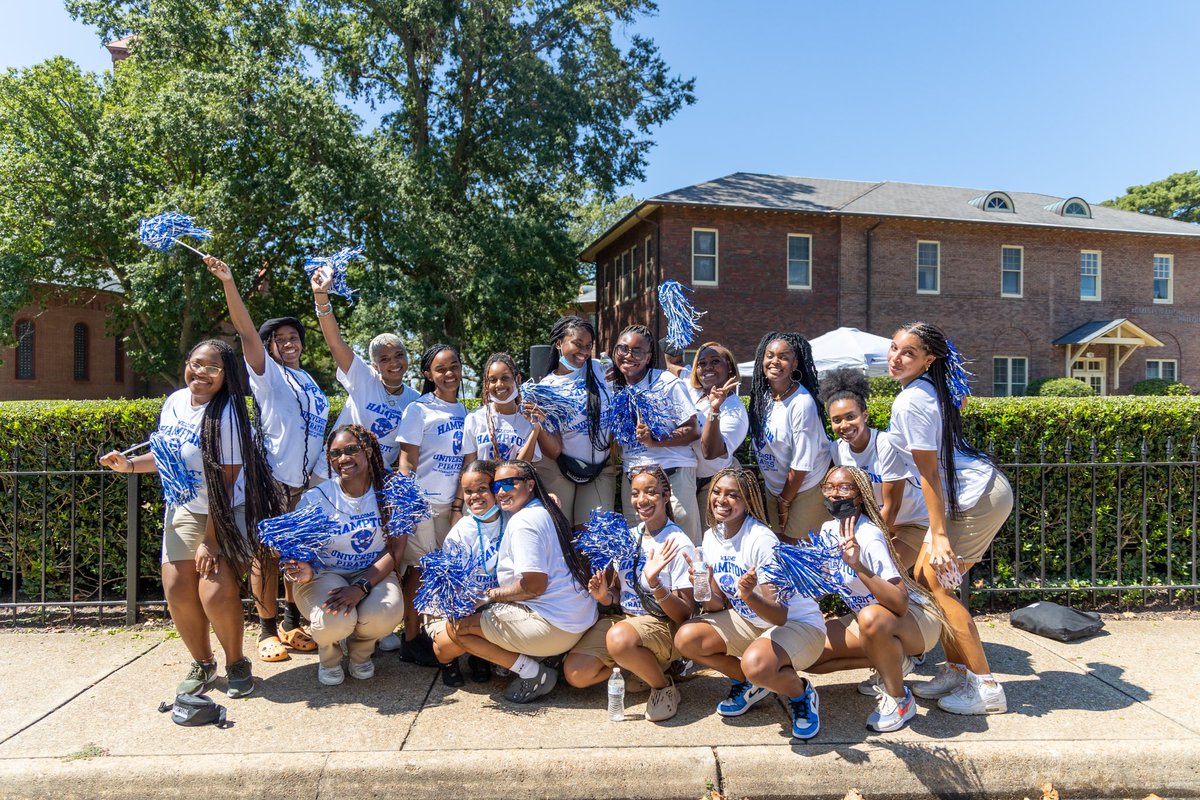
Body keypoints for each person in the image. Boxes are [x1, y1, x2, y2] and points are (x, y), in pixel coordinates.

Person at [100, 340, 280, 698]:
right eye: (196, 364)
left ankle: (235, 662)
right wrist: (131, 466)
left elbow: (226, 483)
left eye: (213, 368)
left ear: (226, 375)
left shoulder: (228, 413)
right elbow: (167, 455)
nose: (201, 373)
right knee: (176, 588)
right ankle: (203, 662)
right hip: (185, 505)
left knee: (213, 588)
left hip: (227, 510)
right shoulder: (175, 402)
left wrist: (211, 541)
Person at [885, 322, 1015, 715]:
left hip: (978, 497)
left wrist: (938, 534)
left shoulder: (913, 400)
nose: (897, 357)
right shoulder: (919, 393)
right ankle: (958, 670)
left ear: (929, 359)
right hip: (970, 495)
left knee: (938, 585)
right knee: (927, 580)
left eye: (908, 352)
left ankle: (986, 687)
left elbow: (928, 474)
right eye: (894, 348)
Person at [207, 255, 329, 662]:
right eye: (281, 339)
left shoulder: (309, 379)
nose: (290, 343)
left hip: (305, 482)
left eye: (295, 337)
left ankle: (292, 622)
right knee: (266, 555)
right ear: (271, 347)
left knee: (294, 554)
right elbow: (244, 331)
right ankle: (265, 628)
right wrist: (229, 282)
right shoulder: (268, 373)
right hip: (272, 478)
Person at [673, 467, 827, 741]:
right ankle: (749, 684)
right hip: (753, 623)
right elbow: (716, 607)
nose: (722, 500)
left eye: (733, 495)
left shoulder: (761, 540)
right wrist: (705, 585)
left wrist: (747, 595)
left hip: (798, 625)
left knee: (756, 665)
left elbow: (778, 615)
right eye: (717, 492)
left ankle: (800, 693)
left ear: (748, 502)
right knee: (687, 638)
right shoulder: (712, 537)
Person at [804, 466, 945, 732]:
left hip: (915, 620)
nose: (835, 494)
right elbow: (821, 586)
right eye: (829, 487)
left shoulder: (869, 536)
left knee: (870, 617)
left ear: (859, 495)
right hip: (874, 622)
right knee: (810, 653)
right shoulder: (827, 530)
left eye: (844, 488)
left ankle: (900, 698)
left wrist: (858, 567)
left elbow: (900, 603)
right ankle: (893, 662)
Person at [445, 460, 598, 703]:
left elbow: (534, 586)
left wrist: (489, 595)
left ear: (529, 485)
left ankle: (534, 674)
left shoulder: (523, 523)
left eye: (509, 484)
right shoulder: (544, 508)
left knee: (459, 629)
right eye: (497, 486)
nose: (502, 491)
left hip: (557, 626)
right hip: (578, 616)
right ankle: (548, 657)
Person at [562, 465, 695, 722]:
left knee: (619, 638)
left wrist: (656, 583)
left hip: (662, 626)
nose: (641, 500)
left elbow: (685, 613)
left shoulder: (677, 542)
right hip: (626, 621)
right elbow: (616, 593)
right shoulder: (628, 537)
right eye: (635, 493)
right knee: (576, 673)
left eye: (650, 492)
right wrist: (604, 596)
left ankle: (662, 685)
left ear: (666, 496)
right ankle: (639, 666)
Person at [282, 425, 407, 686]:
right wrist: (302, 568)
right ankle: (329, 657)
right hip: (325, 574)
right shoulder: (317, 498)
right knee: (334, 619)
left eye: (351, 450)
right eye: (335, 454)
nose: (343, 459)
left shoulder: (391, 493)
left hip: (371, 572)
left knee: (387, 612)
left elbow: (395, 549)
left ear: (368, 451)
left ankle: (361, 654)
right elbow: (295, 548)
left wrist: (361, 587)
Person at [395, 344, 468, 664]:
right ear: (428, 374)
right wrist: (407, 506)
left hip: (452, 506)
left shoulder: (465, 412)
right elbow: (406, 462)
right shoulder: (419, 409)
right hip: (422, 504)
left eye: (454, 366)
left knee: (445, 571)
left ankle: (438, 634)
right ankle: (410, 638)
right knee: (419, 570)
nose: (449, 373)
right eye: (441, 369)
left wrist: (459, 505)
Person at [818, 368, 928, 568]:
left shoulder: (885, 445)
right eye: (837, 420)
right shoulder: (837, 450)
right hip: (877, 524)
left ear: (865, 415)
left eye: (851, 416)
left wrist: (866, 543)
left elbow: (891, 507)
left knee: (883, 572)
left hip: (913, 522)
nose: (844, 425)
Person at [311, 268, 419, 469]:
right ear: (374, 365)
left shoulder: (415, 401)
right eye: (384, 359)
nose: (394, 363)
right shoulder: (364, 379)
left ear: (407, 357)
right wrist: (321, 298)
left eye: (398, 355)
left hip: (374, 481)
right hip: (333, 471)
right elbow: (336, 344)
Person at [612, 324, 702, 543]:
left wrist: (656, 440)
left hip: (673, 476)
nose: (628, 356)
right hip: (633, 479)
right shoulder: (613, 386)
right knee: (640, 548)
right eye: (623, 348)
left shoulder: (666, 383)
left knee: (686, 545)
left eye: (637, 351)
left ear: (649, 356)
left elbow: (692, 429)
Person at [528, 315, 616, 529]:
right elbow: (554, 450)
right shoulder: (546, 388)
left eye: (589, 346)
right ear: (559, 343)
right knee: (561, 534)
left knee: (595, 537)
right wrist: (538, 423)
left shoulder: (600, 369)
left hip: (601, 469)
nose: (584, 352)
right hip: (561, 469)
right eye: (577, 344)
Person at [427, 459, 506, 687]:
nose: (475, 497)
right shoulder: (460, 531)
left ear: (495, 489)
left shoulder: (511, 518)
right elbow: (451, 590)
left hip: (498, 601)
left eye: (482, 489)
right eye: (468, 491)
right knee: (450, 642)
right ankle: (448, 662)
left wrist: (550, 498)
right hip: (463, 605)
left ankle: (480, 656)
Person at [748, 332, 832, 542]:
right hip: (775, 487)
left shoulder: (802, 403)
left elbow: (802, 464)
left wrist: (784, 502)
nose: (775, 361)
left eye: (783, 357)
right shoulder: (763, 397)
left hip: (805, 488)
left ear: (794, 363)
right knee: (778, 547)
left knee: (797, 551)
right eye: (770, 355)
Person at [456, 352, 539, 523]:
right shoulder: (475, 418)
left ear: (517, 379)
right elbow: (469, 466)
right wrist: (457, 506)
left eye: (505, 378)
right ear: (486, 385)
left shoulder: (527, 419)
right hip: (482, 502)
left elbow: (522, 466)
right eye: (492, 380)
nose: (499, 384)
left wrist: (536, 428)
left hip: (512, 500)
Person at [686, 342, 748, 517]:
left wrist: (714, 410)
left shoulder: (734, 409)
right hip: (685, 479)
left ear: (729, 368)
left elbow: (711, 452)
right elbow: (673, 366)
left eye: (715, 361)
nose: (707, 367)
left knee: (709, 540)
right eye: (702, 363)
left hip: (713, 485)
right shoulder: (693, 394)